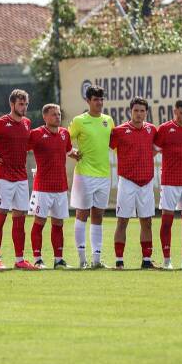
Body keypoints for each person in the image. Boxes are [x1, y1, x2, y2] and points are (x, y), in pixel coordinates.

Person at [68, 86, 115, 269]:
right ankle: (82, 259)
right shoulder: (80, 121)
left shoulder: (108, 120)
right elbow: (64, 139)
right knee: (82, 214)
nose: (100, 102)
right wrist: (71, 152)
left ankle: (96, 259)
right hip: (85, 174)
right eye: (96, 99)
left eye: (101, 99)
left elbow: (114, 144)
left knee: (98, 216)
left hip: (104, 175)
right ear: (88, 101)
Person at [110, 98, 159, 269]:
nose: (139, 114)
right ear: (130, 111)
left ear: (146, 112)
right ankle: (119, 261)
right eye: (136, 110)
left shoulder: (152, 130)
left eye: (142, 111)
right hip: (127, 181)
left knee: (147, 221)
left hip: (146, 182)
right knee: (122, 221)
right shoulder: (119, 131)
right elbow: (106, 148)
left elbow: (157, 148)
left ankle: (146, 261)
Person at [0, 89, 32, 270]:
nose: (24, 107)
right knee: (0, 217)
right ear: (12, 104)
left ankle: (19, 259)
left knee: (20, 218)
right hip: (3, 177)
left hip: (22, 178)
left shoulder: (27, 123)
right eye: (21, 104)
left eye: (26, 104)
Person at [153, 100, 182, 270]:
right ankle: (167, 261)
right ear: (175, 112)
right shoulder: (165, 129)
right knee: (167, 222)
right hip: (170, 181)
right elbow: (152, 151)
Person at [26, 104, 73, 269]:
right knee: (39, 222)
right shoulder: (36, 134)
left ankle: (58, 259)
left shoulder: (65, 134)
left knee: (58, 223)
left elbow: (68, 152)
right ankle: (38, 259)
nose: (57, 117)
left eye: (59, 114)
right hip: (42, 188)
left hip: (60, 187)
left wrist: (79, 155)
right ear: (45, 117)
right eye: (53, 114)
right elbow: (22, 149)